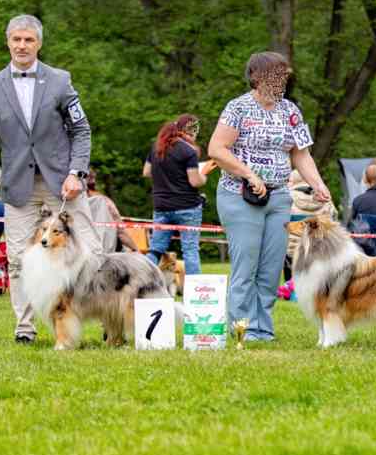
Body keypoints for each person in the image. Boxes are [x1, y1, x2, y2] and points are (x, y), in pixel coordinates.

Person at [0, 14, 101, 344]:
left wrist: (77, 173)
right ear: (8, 42)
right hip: (17, 186)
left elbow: (81, 130)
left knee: (90, 252)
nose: (22, 45)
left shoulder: (60, 81)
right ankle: (25, 327)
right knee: (18, 258)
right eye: (16, 39)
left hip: (63, 184)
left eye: (29, 40)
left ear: (39, 43)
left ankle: (101, 320)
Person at [208, 51, 330, 342]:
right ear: (256, 77)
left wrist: (318, 184)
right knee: (246, 265)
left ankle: (262, 329)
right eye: (278, 74)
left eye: (285, 75)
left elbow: (301, 153)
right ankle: (241, 328)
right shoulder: (237, 108)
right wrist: (249, 174)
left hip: (278, 198)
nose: (283, 80)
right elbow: (216, 149)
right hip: (240, 196)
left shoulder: (291, 111)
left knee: (271, 267)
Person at [143, 114, 215, 275]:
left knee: (155, 249)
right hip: (187, 206)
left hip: (161, 206)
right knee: (190, 250)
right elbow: (195, 181)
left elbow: (147, 172)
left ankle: (142, 281)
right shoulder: (188, 151)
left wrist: (166, 175)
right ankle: (194, 294)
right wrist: (205, 174)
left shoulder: (156, 147)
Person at [86, 168, 139, 253]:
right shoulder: (104, 201)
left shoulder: (70, 205)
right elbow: (121, 232)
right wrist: (136, 249)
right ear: (94, 180)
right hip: (107, 252)